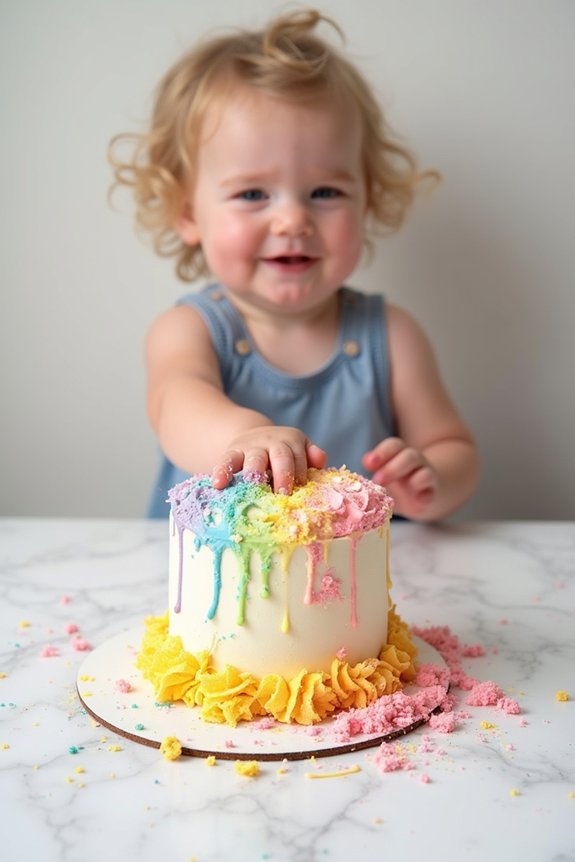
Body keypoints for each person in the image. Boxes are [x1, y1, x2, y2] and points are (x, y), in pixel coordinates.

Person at [109, 8, 479, 521]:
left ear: (366, 201)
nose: (292, 219)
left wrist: (433, 478)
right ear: (189, 213)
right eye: (253, 193)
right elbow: (176, 407)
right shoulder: (189, 330)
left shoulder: (390, 335)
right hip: (211, 590)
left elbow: (452, 446)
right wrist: (242, 437)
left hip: (348, 592)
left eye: (325, 191)